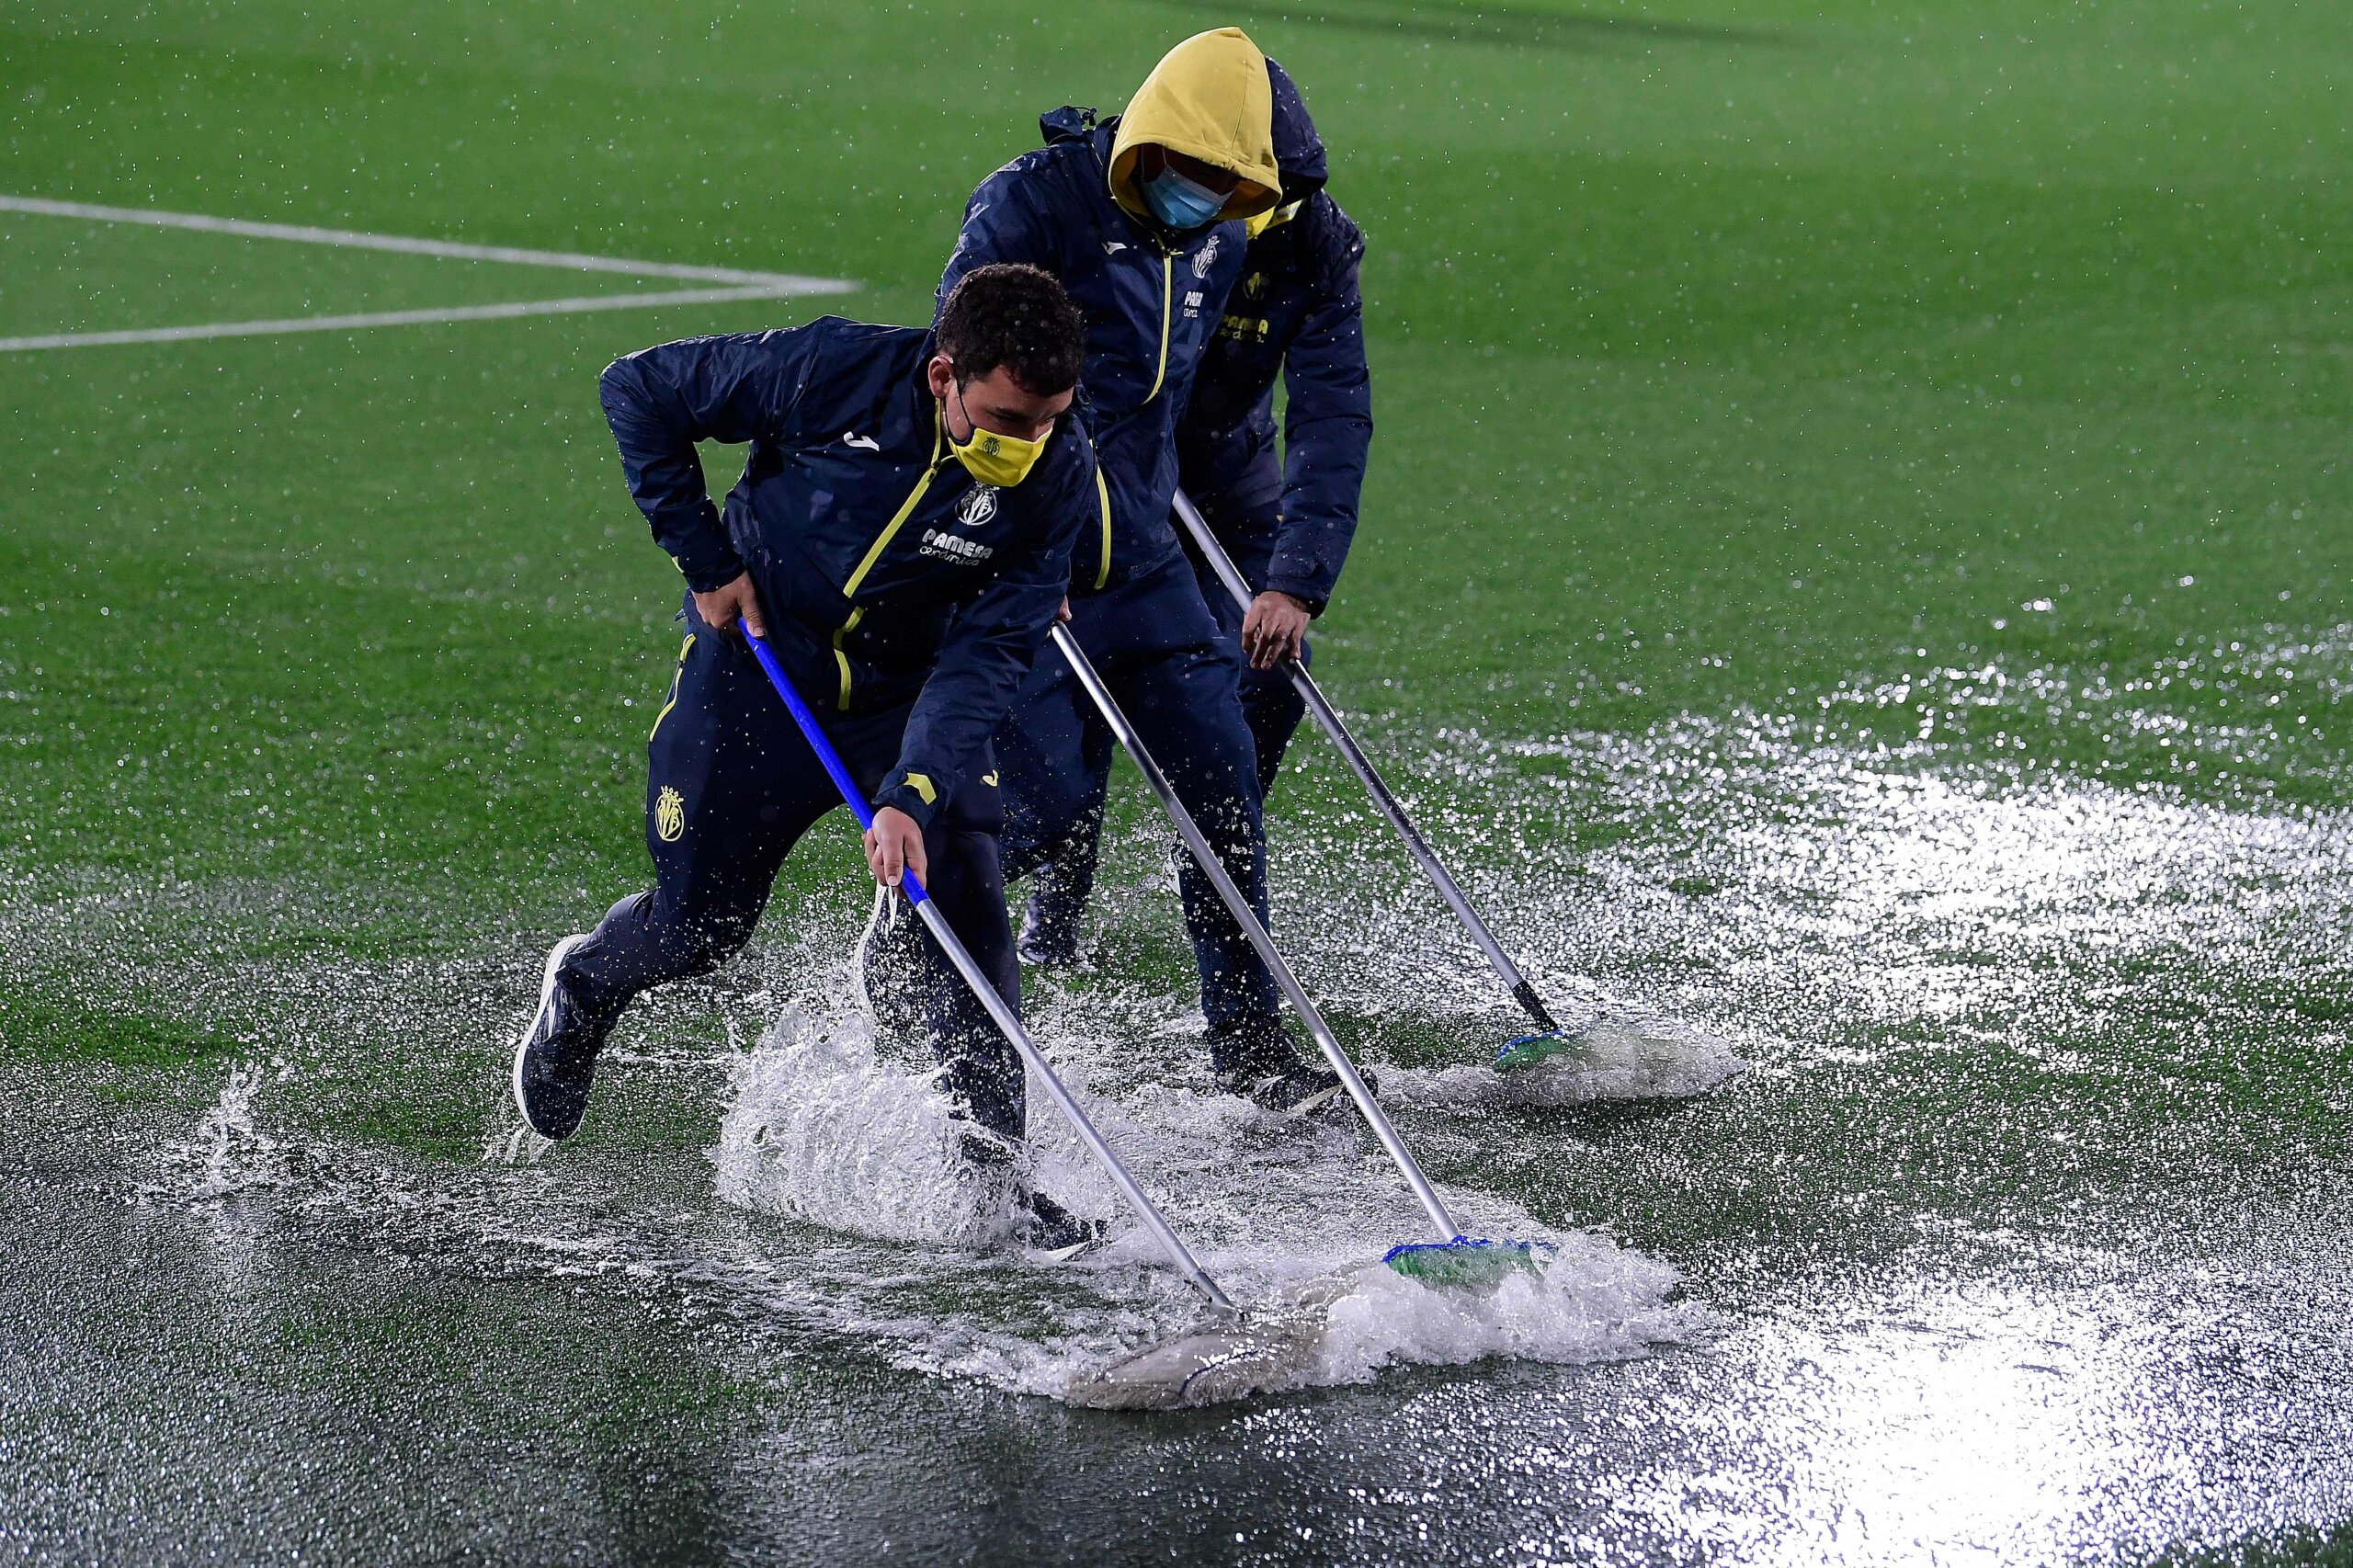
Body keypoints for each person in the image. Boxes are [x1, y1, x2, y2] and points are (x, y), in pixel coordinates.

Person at [512, 264, 1105, 1245]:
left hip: (905, 696)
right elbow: (639, 389)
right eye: (1005, 416)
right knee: (700, 927)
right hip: (759, 678)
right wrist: (706, 559)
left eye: (1047, 418)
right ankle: (583, 982)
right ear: (941, 376)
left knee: (969, 919)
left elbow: (991, 649)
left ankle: (994, 1187)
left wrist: (912, 790)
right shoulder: (830, 370)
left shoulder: (1056, 470)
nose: (1027, 441)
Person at [888, 28, 1359, 1118]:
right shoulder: (1028, 206)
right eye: (1203, 179)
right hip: (1035, 569)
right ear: (1152, 146)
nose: (1217, 205)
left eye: (1234, 189)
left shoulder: (1217, 238)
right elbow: (962, 384)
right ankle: (917, 929)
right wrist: (1008, 541)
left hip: (1143, 564)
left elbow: (1234, 394)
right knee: (1044, 811)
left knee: (1222, 787)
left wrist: (1290, 564)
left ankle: (1247, 1048)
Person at [1022, 57, 1371, 953]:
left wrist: (1297, 580)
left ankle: (1212, 848)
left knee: (1267, 681)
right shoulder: (1126, 211)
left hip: (1226, 467)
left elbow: (1332, 410)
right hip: (1106, 467)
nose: (1249, 221)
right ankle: (1057, 889)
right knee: (1094, 666)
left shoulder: (1316, 240)